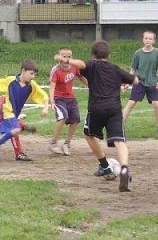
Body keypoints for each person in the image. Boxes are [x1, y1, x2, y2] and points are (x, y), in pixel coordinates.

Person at [55, 40, 139, 192]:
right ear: (109, 55)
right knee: (120, 141)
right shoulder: (115, 69)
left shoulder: (92, 65)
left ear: (93, 56)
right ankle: (124, 168)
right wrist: (126, 82)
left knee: (89, 135)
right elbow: (136, 80)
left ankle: (105, 166)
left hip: (96, 109)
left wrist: (66, 60)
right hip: (114, 109)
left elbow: (80, 64)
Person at [0, 59, 49, 165]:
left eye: (34, 74)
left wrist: (45, 108)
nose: (33, 77)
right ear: (23, 70)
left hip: (14, 114)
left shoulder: (32, 85)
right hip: (6, 111)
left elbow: (44, 95)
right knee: (16, 128)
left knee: (3, 133)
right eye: (31, 73)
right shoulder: (11, 80)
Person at [122, 30, 158, 135]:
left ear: (154, 41)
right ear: (143, 39)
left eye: (150, 38)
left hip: (153, 83)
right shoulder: (138, 53)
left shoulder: (157, 53)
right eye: (146, 38)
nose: (148, 40)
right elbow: (133, 70)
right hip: (139, 82)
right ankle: (119, 125)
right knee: (131, 103)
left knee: (156, 104)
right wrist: (128, 83)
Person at [49, 47, 88, 156]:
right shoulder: (56, 70)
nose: (66, 59)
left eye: (69, 57)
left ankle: (67, 143)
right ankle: (53, 143)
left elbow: (82, 78)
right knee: (63, 116)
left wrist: (92, 86)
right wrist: (52, 101)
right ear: (59, 57)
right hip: (58, 98)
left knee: (76, 119)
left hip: (70, 98)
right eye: (64, 56)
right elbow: (52, 87)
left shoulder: (74, 68)